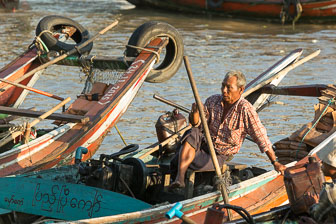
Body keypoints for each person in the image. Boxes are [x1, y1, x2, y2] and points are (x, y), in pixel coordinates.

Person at [169, 70, 286, 189]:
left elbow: (261, 138)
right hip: (203, 144)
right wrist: (195, 112)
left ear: (240, 90)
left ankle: (182, 168)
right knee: (192, 132)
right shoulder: (213, 101)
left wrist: (274, 162)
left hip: (219, 155)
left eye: (229, 87)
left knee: (182, 156)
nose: (224, 90)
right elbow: (197, 125)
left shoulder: (245, 110)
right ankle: (180, 179)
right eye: (223, 86)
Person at [300, 140, 336, 224]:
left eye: (326, 161)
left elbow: (317, 216)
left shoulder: (331, 191)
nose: (322, 162)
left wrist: (312, 204)